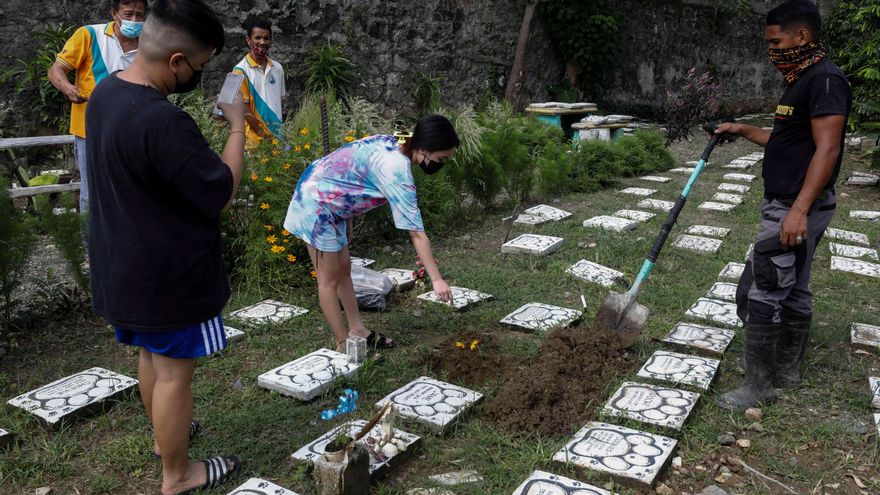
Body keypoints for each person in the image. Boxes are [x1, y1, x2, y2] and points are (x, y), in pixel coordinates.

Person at [85, 0, 246, 493]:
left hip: (122, 265)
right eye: (198, 66)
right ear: (177, 60)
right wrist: (238, 125)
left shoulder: (106, 94)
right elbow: (221, 192)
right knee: (176, 374)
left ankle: (164, 439)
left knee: (152, 357)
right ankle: (177, 474)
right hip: (168, 276)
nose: (198, 74)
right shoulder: (164, 122)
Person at [713, 0, 851, 411]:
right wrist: (741, 129)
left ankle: (759, 386)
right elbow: (787, 139)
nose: (771, 50)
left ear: (802, 37)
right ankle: (787, 369)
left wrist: (798, 210)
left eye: (776, 42)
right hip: (793, 203)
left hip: (795, 205)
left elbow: (827, 150)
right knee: (795, 287)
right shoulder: (801, 78)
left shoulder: (825, 81)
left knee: (763, 288)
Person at [284, 116, 458, 352]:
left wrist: (347, 216)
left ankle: (357, 329)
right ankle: (343, 345)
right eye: (442, 158)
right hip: (314, 203)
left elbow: (353, 172)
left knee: (344, 268)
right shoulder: (397, 171)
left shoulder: (399, 142)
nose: (442, 163)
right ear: (425, 149)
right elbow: (417, 234)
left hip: (333, 202)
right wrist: (436, 279)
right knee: (328, 279)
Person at [48, 0, 147, 221]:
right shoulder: (89, 35)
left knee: (131, 190)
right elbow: (56, 70)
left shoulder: (148, 45)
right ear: (114, 13)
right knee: (91, 194)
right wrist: (68, 89)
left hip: (133, 131)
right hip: (90, 131)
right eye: (128, 14)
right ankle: (90, 249)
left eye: (139, 16)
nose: (134, 20)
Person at [232, 17, 285, 147]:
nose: (262, 42)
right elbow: (244, 110)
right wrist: (265, 137)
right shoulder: (240, 71)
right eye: (257, 38)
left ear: (271, 41)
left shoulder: (277, 68)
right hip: (254, 144)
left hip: (278, 141)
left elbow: (280, 103)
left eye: (266, 38)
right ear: (248, 40)